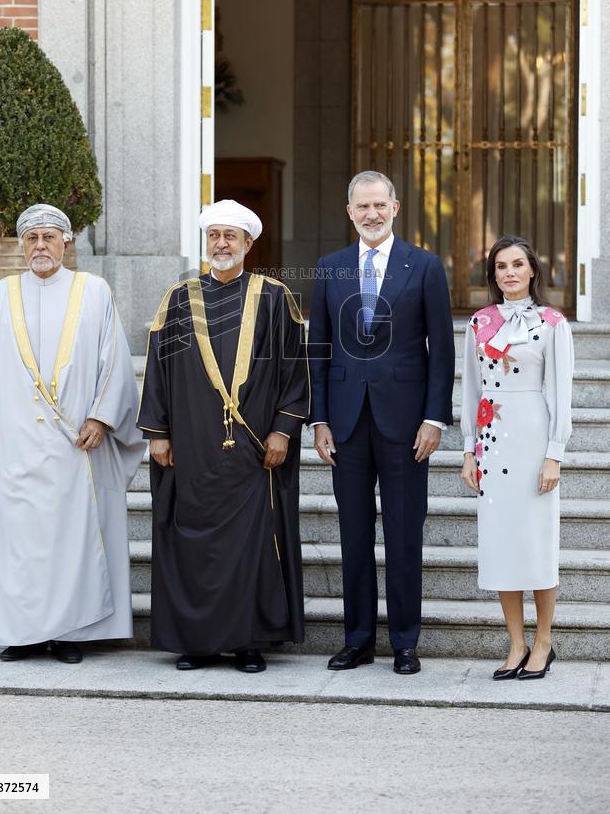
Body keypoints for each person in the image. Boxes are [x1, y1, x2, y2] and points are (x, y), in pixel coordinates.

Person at [137, 199, 309, 674]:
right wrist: (157, 432)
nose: (221, 244)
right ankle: (198, 643)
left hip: (255, 453)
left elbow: (297, 371)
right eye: (214, 236)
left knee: (251, 545)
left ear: (249, 244)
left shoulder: (275, 298)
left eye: (230, 236)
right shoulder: (178, 299)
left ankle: (248, 641)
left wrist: (283, 429)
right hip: (191, 447)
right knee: (194, 545)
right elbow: (158, 369)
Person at [0, 204, 145, 663]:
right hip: (14, 443)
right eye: (32, 239)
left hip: (75, 446)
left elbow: (115, 362)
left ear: (67, 243)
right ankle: (23, 632)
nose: (41, 246)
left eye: (50, 238)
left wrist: (102, 417)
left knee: (73, 540)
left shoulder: (94, 292)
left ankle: (71, 633)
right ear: (21, 245)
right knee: (21, 541)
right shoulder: (0, 294)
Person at [308, 172, 455, 674]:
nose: (370, 214)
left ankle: (406, 642)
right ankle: (358, 639)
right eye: (361, 206)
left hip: (407, 424)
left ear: (395, 207)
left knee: (404, 534)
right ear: (349, 212)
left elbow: (442, 352)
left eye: (379, 204)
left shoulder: (426, 266)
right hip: (345, 424)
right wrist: (319, 419)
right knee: (353, 536)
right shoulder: (331, 269)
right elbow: (319, 351)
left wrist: (435, 417)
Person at [460, 235, 574, 680]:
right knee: (502, 545)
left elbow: (561, 394)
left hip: (533, 438)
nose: (509, 272)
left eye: (517, 264)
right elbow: (470, 388)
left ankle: (543, 641)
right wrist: (469, 450)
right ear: (493, 274)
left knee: (536, 543)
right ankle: (516, 643)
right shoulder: (479, 322)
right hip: (492, 442)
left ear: (532, 271)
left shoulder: (551, 322)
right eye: (500, 266)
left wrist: (554, 455)